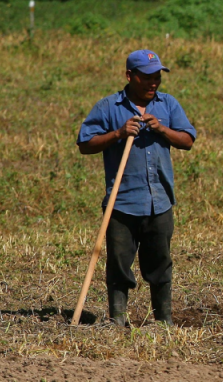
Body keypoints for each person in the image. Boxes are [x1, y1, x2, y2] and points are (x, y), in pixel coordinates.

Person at [77, 49, 196, 326]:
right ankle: (118, 320)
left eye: (157, 77)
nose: (153, 83)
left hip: (160, 201)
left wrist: (162, 130)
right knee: (119, 264)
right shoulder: (109, 107)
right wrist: (118, 134)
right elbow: (85, 144)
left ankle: (163, 321)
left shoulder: (167, 104)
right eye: (147, 78)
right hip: (122, 203)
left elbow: (187, 140)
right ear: (130, 76)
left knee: (160, 264)